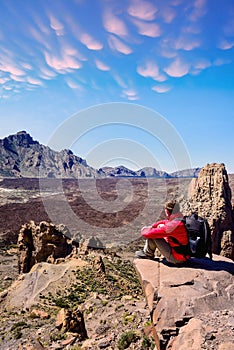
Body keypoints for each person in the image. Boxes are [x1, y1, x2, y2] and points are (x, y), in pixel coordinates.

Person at [135, 200, 190, 265]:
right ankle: (147, 253)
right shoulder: (179, 218)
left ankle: (148, 254)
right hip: (183, 255)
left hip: (177, 259)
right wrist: (153, 226)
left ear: (167, 212)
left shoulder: (172, 226)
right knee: (159, 227)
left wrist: (144, 229)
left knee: (154, 236)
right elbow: (165, 222)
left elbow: (147, 234)